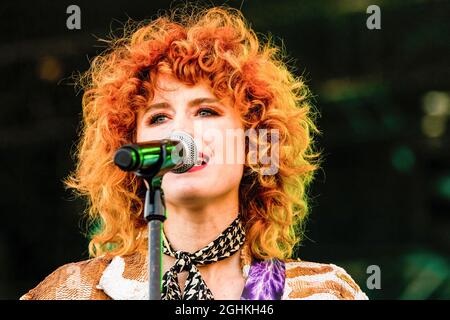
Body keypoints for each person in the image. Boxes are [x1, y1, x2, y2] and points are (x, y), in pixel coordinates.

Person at [21, 6, 368, 300]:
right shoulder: (74, 290)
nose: (180, 133)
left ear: (254, 144)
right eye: (159, 117)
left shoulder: (320, 291)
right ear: (133, 152)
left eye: (206, 111)